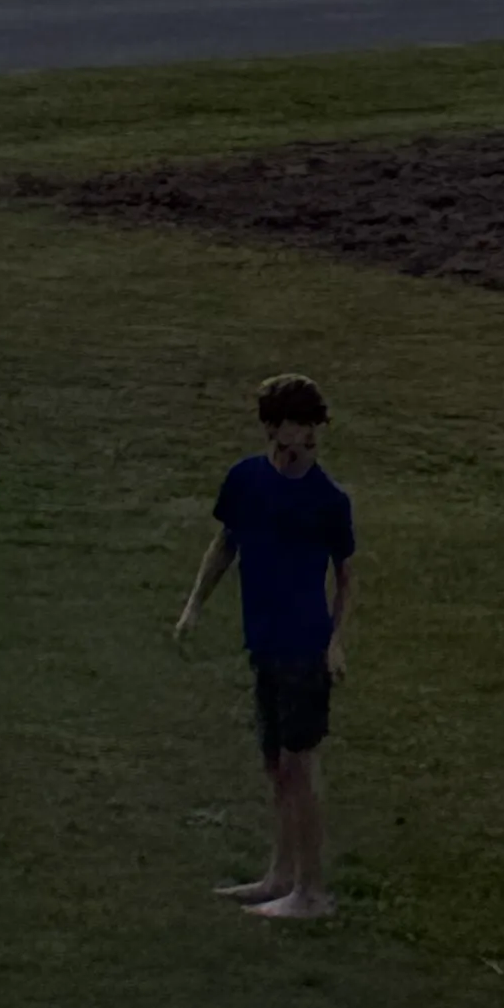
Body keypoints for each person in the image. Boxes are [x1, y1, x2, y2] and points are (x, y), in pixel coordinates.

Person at [175, 371, 353, 923]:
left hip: (303, 646)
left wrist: (335, 640)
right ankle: (280, 874)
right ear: (273, 429)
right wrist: (194, 605)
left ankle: (312, 890)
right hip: (265, 642)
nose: (306, 444)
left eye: (312, 433)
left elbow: (345, 575)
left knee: (300, 766)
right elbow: (225, 543)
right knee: (276, 765)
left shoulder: (327, 499)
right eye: (297, 432)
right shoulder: (246, 481)